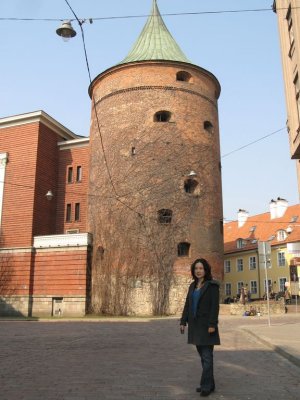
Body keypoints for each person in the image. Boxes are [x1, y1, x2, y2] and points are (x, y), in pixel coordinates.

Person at [180, 258, 220, 397]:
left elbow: (215, 307)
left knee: (207, 357)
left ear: (206, 270)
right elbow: (187, 305)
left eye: (201, 268)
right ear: (193, 270)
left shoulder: (212, 286)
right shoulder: (192, 286)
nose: (198, 271)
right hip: (195, 327)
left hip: (207, 326)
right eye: (196, 268)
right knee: (203, 358)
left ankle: (205, 386)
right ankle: (210, 384)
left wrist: (212, 324)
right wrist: (183, 322)